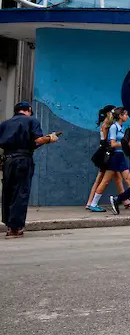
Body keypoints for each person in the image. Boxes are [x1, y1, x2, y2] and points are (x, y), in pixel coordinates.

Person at [1, 101, 59, 238]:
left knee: (8, 192)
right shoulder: (31, 121)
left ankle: (9, 225)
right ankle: (15, 228)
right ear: (29, 110)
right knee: (21, 192)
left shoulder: (5, 124)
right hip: (23, 160)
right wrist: (50, 138)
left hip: (8, 160)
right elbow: (38, 140)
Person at [86, 106, 130, 212]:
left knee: (129, 180)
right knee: (105, 181)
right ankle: (93, 203)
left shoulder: (122, 127)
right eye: (125, 114)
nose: (127, 116)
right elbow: (113, 143)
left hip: (120, 156)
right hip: (114, 156)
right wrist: (124, 144)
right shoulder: (113, 127)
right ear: (120, 116)